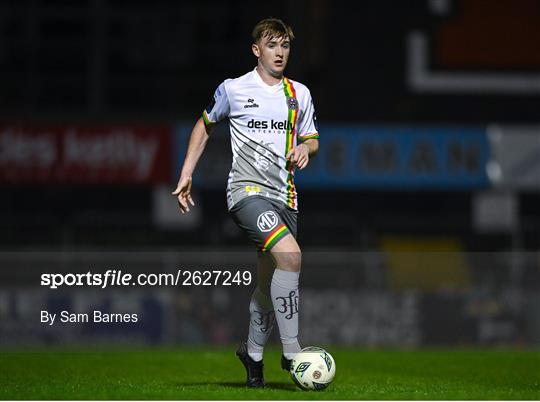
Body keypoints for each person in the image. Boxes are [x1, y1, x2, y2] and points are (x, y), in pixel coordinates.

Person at [172, 17, 319, 388]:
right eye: (272, 45)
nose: (280, 52)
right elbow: (204, 125)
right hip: (246, 192)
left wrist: (305, 147)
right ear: (257, 50)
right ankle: (292, 353)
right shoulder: (234, 89)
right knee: (292, 256)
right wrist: (186, 172)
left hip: (285, 197)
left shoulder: (298, 93)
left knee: (270, 281)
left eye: (285, 45)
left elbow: (313, 139)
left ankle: (253, 354)